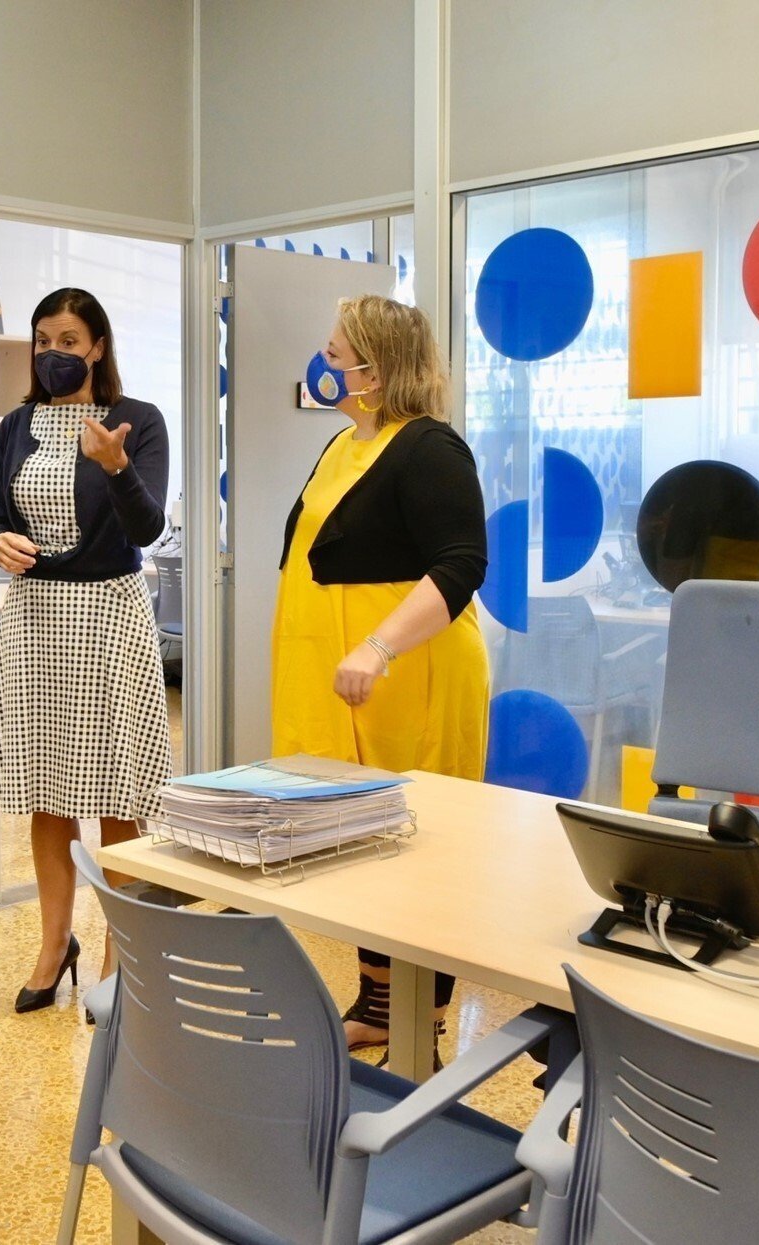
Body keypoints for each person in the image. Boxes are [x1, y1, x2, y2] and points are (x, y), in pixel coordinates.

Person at [268, 294, 489, 1059]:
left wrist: (378, 647)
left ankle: (421, 1024)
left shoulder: (430, 447)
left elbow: (461, 564)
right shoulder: (342, 445)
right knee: (359, 845)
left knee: (417, 851)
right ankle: (379, 1004)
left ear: (379, 368)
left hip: (411, 677)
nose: (323, 365)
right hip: (340, 681)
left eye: (336, 354)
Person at [0, 286, 173, 1013]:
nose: (53, 354)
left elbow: (147, 530)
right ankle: (54, 945)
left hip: (108, 614)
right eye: (43, 341)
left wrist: (117, 467)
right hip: (35, 617)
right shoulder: (17, 424)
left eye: (68, 341)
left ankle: (126, 955)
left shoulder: (137, 420)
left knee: (117, 794)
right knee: (46, 791)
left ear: (97, 347)